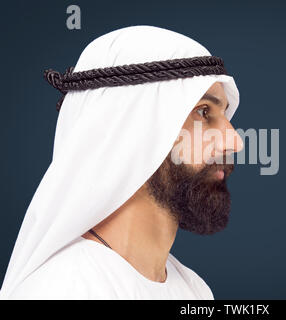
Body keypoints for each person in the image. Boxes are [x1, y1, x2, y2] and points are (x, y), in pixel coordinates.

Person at [0, 25, 243, 299]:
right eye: (203, 111)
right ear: (131, 128)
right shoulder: (63, 289)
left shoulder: (194, 290)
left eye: (224, 115)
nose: (235, 142)